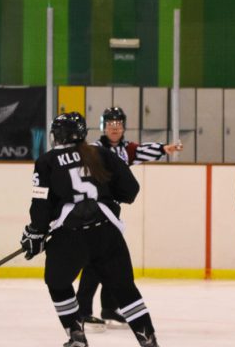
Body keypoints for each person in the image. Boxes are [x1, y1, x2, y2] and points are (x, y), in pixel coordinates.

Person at [20, 112, 162, 347]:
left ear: (57, 136)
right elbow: (130, 189)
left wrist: (36, 231)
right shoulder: (100, 153)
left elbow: (40, 203)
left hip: (70, 236)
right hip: (107, 232)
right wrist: (108, 199)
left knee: (57, 282)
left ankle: (76, 333)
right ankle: (147, 337)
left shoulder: (47, 161)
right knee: (124, 288)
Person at [77, 106, 183, 332]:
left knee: (110, 260)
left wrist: (164, 148)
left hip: (112, 211)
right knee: (94, 262)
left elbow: (141, 150)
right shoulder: (94, 149)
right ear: (103, 127)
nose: (114, 129)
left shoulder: (126, 150)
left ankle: (108, 308)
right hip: (94, 211)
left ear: (124, 127)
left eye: (118, 125)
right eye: (110, 125)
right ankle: (83, 311)